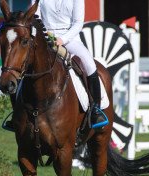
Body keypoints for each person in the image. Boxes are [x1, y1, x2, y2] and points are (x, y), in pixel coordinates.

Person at [31, 0, 108, 129]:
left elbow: (78, 24)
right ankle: (17, 110)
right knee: (25, 63)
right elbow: (35, 17)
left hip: (69, 39)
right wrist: (42, 35)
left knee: (89, 63)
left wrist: (62, 39)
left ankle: (95, 109)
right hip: (44, 37)